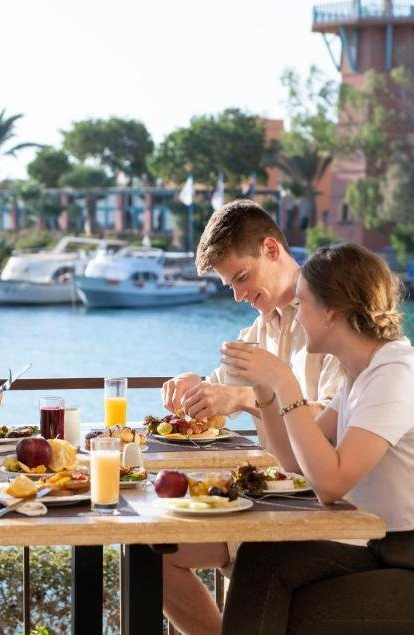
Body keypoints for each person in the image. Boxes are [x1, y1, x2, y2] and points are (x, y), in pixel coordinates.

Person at [218, 243, 414, 634]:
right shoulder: (360, 377)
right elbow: (296, 464)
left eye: (302, 304)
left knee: (303, 613)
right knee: (262, 559)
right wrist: (265, 391)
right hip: (394, 553)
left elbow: (330, 484)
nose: (296, 316)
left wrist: (286, 384)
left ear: (331, 312)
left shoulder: (395, 374)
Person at [159, 200, 343, 635]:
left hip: (324, 513)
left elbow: (335, 417)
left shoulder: (330, 314)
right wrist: (195, 386)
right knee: (152, 550)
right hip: (271, 502)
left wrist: (242, 397)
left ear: (271, 249)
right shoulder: (262, 326)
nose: (239, 295)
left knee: (157, 546)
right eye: (230, 286)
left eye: (241, 278)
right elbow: (220, 390)